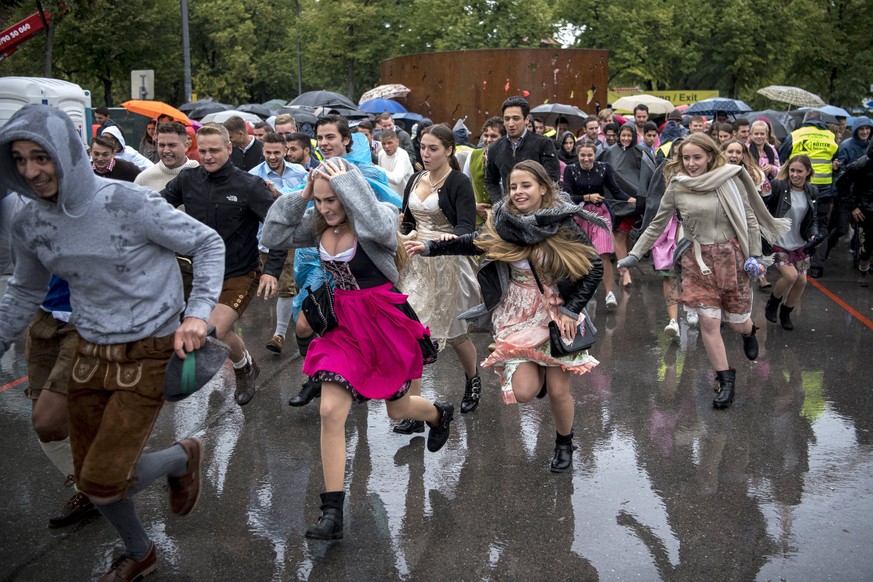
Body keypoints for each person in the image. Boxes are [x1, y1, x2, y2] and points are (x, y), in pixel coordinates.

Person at [0, 104, 225, 580]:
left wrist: (197, 315)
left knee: (101, 483)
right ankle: (140, 550)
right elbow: (24, 289)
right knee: (89, 475)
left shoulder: (129, 202)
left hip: (149, 349)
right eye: (19, 159)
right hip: (87, 349)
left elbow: (208, 243)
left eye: (40, 156)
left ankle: (181, 456)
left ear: (65, 153)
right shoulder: (29, 222)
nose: (31, 171)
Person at [262, 158, 453, 540]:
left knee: (398, 409)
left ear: (349, 192)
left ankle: (437, 413)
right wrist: (301, 196)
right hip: (343, 327)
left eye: (331, 199)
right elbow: (273, 235)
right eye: (320, 201)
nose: (325, 208)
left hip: (384, 323)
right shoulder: (315, 223)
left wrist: (347, 184)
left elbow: (380, 228)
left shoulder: (376, 215)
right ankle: (332, 513)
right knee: (330, 411)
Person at [407, 159, 603, 472]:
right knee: (524, 393)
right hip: (516, 313)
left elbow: (595, 267)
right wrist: (430, 248)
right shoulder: (503, 221)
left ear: (542, 188)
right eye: (513, 186)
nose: (518, 192)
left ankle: (564, 441)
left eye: (526, 185)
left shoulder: (562, 223)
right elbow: (474, 242)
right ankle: (538, 370)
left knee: (557, 390)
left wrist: (571, 309)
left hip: (556, 313)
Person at [619, 133, 790, 409]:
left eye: (697, 157)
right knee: (709, 322)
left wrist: (755, 254)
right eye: (686, 158)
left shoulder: (729, 178)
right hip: (696, 260)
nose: (691, 163)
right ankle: (725, 381)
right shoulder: (676, 186)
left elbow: (749, 219)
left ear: (711, 156)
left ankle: (748, 331)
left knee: (735, 322)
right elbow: (655, 224)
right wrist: (634, 254)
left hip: (731, 258)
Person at [162, 123, 286, 406]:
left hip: (239, 273)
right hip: (201, 273)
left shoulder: (250, 185)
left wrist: (272, 271)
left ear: (229, 149)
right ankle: (246, 365)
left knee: (213, 330)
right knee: (222, 330)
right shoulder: (187, 179)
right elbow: (158, 206)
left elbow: (277, 227)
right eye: (202, 150)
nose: (207, 156)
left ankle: (241, 370)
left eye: (214, 150)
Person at [286, 115, 402, 407]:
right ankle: (319, 376)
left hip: (360, 266)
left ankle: (338, 378)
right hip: (319, 256)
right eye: (320, 138)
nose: (324, 144)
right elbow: (302, 218)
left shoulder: (368, 173)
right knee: (304, 324)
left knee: (373, 354)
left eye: (330, 137)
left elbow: (384, 216)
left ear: (346, 140)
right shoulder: (313, 173)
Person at [395, 124, 481, 431]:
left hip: (448, 263)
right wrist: (398, 240)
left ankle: (472, 379)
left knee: (456, 334)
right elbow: (405, 220)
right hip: (416, 265)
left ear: (449, 150)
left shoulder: (458, 182)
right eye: (422, 147)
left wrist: (438, 243)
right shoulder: (416, 178)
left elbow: (467, 230)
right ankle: (415, 411)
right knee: (412, 333)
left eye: (433, 148)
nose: (426, 153)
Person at [563, 139, 632, 310]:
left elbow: (615, 190)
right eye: (582, 155)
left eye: (589, 155)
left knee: (603, 255)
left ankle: (609, 293)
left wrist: (630, 199)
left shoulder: (604, 168)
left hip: (600, 215)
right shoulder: (571, 170)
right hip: (579, 215)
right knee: (583, 255)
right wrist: (587, 197)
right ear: (578, 155)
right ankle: (585, 290)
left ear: (595, 155)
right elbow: (567, 196)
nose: (586, 159)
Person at [763, 155, 823, 329]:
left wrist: (814, 236)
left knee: (802, 281)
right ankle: (773, 303)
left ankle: (786, 312)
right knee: (791, 275)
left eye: (799, 171)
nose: (795, 174)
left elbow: (813, 219)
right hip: (778, 239)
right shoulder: (779, 185)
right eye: (792, 170)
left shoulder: (812, 190)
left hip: (800, 242)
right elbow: (763, 203)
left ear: (808, 172)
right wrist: (765, 192)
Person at [778, 110, 838, 279]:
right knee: (821, 225)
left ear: (805, 121)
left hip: (801, 187)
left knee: (797, 221)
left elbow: (783, 155)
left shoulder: (796, 135)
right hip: (824, 189)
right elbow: (836, 159)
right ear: (821, 121)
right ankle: (817, 266)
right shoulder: (830, 136)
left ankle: (793, 258)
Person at [598, 122, 655, 287]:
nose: (626, 138)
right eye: (623, 135)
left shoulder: (641, 152)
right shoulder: (609, 152)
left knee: (627, 235)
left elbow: (649, 174)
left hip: (635, 202)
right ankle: (624, 271)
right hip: (615, 201)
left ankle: (625, 263)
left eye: (629, 135)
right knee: (619, 235)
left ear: (635, 136)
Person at [485, 96, 560, 203]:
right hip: (509, 210)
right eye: (507, 119)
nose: (511, 124)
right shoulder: (495, 147)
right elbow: (491, 181)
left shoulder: (543, 143)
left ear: (526, 119)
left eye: (516, 118)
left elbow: (552, 178)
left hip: (538, 208)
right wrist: (500, 204)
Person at [836, 141, 873, 286]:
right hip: (865, 211)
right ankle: (863, 272)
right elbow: (841, 184)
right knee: (866, 246)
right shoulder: (861, 164)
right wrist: (853, 206)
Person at [134, 121, 200, 191]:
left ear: (186, 146)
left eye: (172, 145)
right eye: (162, 145)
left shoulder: (201, 176)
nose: (166, 150)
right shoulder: (143, 179)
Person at [463, 116, 504, 226]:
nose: (488, 139)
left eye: (494, 136)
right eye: (486, 135)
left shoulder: (508, 160)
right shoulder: (473, 155)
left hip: (501, 220)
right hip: (476, 220)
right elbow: (464, 187)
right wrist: (474, 206)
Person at [377, 128, 414, 199]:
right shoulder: (381, 153)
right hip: (389, 198)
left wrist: (376, 168)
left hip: (405, 199)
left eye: (389, 143)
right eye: (383, 143)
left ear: (397, 142)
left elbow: (396, 179)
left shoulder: (402, 155)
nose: (386, 146)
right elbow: (381, 178)